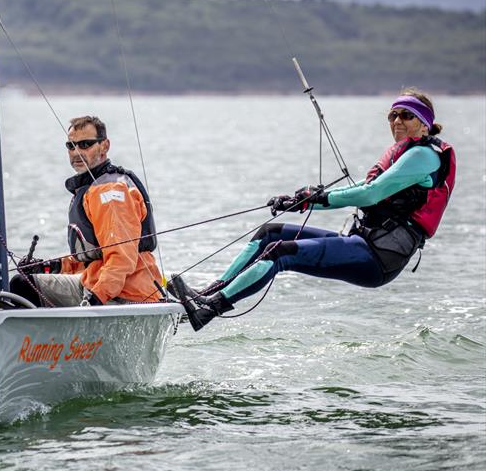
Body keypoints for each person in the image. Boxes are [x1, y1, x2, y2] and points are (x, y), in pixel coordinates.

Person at [169, 88, 456, 331]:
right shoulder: (406, 152)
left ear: (424, 123)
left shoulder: (423, 156)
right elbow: (367, 185)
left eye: (406, 115)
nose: (397, 121)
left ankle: (207, 310)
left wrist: (315, 200)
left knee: (281, 253)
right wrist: (304, 199)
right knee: (271, 233)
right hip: (362, 242)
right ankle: (207, 294)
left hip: (379, 257)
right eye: (392, 115)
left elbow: (371, 194)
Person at [10, 115, 163, 307]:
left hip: (126, 295)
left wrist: (97, 298)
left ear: (105, 146)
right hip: (102, 283)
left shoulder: (110, 191)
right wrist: (52, 267)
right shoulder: (93, 188)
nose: (76, 152)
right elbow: (95, 257)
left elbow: (122, 258)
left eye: (85, 144)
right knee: (27, 280)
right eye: (71, 146)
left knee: (22, 286)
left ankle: (34, 337)